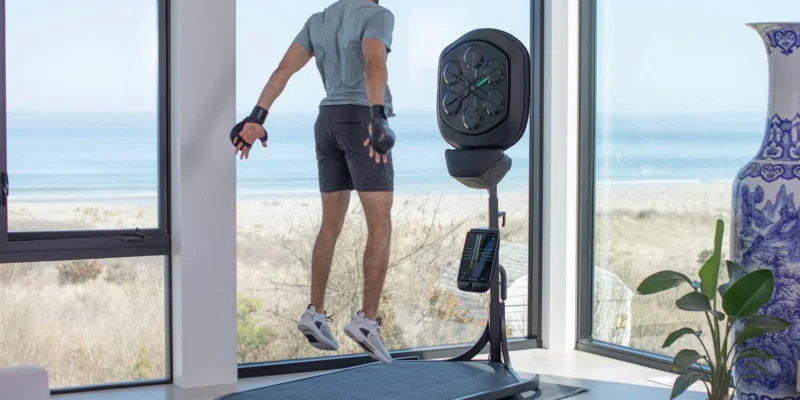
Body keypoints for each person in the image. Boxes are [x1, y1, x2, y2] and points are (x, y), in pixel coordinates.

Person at [229, 0, 396, 363]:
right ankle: (367, 321)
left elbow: (283, 70)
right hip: (361, 121)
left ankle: (315, 313)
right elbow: (374, 62)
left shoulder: (319, 20)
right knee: (380, 224)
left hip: (327, 123)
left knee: (330, 225)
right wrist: (378, 118)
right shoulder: (377, 16)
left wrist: (257, 116)